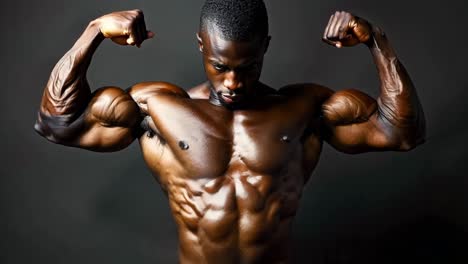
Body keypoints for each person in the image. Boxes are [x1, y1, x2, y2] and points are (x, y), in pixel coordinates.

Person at [34, 0, 426, 263]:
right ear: (201, 46)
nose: (233, 82)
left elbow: (401, 132)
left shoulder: (303, 110)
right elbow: (58, 123)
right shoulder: (158, 110)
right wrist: (94, 31)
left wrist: (376, 39)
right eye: (221, 66)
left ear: (265, 48)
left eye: (248, 66)